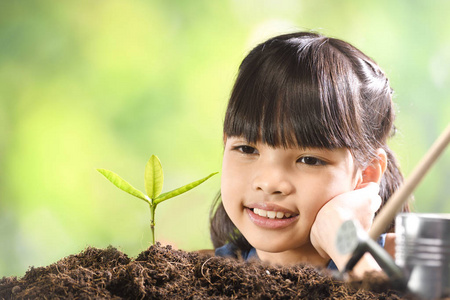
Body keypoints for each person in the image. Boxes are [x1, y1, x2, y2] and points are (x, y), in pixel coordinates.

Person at [209, 31, 410, 276]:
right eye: (247, 149)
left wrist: (346, 244)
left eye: (309, 160)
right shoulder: (200, 274)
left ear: (366, 172)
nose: (269, 183)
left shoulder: (412, 260)